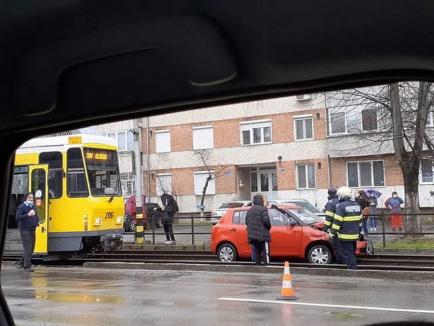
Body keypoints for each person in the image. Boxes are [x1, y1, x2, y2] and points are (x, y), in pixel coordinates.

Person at [331, 186, 362, 270]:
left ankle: (352, 269)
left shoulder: (340, 206)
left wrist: (333, 232)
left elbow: (337, 221)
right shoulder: (357, 205)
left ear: (342, 195)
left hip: (345, 235)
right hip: (355, 235)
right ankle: (353, 267)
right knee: (352, 252)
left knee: (348, 253)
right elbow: (360, 221)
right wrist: (359, 232)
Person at [15, 193, 39, 272]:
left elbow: (35, 216)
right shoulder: (22, 207)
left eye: (32, 197)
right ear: (26, 198)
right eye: (30, 197)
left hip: (32, 229)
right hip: (25, 230)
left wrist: (36, 222)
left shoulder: (33, 206)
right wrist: (27, 215)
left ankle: (21, 263)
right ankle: (27, 267)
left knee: (31, 248)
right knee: (28, 248)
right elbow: (17, 217)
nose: (32, 199)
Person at [245, 194, 271, 265]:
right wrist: (269, 227)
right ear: (261, 200)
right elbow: (266, 221)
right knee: (266, 252)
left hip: (253, 236)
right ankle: (267, 266)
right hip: (263, 236)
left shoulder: (250, 210)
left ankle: (258, 267)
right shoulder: (263, 209)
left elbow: (246, 222)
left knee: (257, 253)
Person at [323, 187, 341, 262]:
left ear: (328, 194)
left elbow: (328, 218)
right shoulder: (339, 200)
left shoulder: (330, 203)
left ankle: (339, 262)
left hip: (333, 227)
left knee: (336, 246)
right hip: (341, 227)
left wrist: (325, 229)